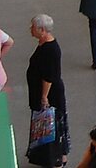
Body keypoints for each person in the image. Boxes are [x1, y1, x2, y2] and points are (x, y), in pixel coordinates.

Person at [26, 14, 69, 167]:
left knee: (51, 125)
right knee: (48, 124)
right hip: (43, 92)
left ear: (42, 30)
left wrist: (44, 96)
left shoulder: (51, 50)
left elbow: (48, 76)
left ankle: (56, 157)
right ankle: (50, 155)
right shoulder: (43, 44)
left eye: (33, 27)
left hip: (50, 94)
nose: (30, 29)